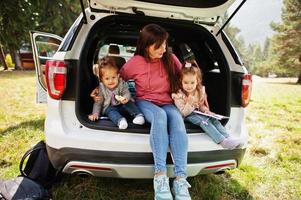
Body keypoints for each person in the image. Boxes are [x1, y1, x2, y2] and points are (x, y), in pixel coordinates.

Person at [120, 24, 191, 200]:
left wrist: (195, 92)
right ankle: (160, 177)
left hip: (168, 101)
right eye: (158, 46)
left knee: (176, 119)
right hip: (145, 102)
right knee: (160, 117)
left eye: (164, 44)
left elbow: (185, 77)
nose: (163, 49)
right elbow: (118, 80)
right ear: (146, 45)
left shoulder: (170, 58)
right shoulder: (135, 63)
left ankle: (181, 180)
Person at [172, 61, 243, 149]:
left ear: (197, 81)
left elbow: (200, 105)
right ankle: (222, 141)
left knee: (213, 119)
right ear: (181, 81)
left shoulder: (198, 92)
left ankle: (228, 137)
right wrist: (189, 103)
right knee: (204, 121)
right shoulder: (179, 95)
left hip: (198, 113)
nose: (189, 86)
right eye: (186, 82)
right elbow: (183, 113)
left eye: (192, 83)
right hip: (188, 116)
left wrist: (206, 111)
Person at [89, 56, 145, 129]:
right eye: (107, 78)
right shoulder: (101, 89)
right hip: (111, 108)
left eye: (113, 77)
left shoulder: (122, 84)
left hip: (123, 105)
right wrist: (95, 113)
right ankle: (120, 121)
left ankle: (138, 116)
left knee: (129, 103)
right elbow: (98, 103)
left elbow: (126, 93)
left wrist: (125, 98)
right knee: (109, 111)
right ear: (102, 80)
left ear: (118, 76)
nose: (111, 81)